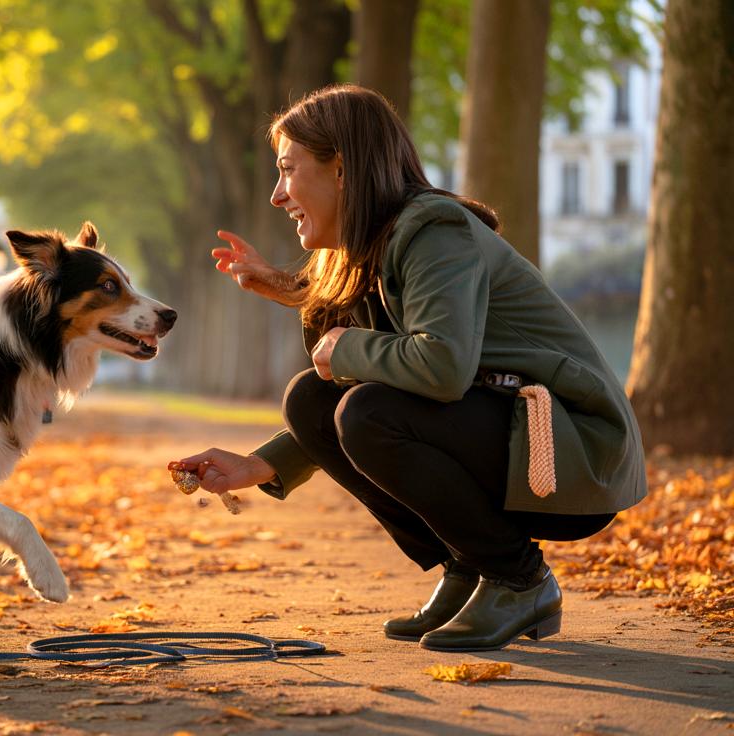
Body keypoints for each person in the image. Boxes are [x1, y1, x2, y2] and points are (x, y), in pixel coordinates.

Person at [171, 84, 646, 652]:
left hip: (572, 448)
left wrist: (346, 347)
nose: (277, 195)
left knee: (367, 409)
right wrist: (259, 465)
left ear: (341, 168)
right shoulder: (364, 251)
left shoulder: (433, 232)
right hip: (507, 430)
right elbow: (350, 400)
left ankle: (516, 578)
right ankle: (469, 568)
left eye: (288, 169)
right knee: (311, 400)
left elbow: (442, 367)